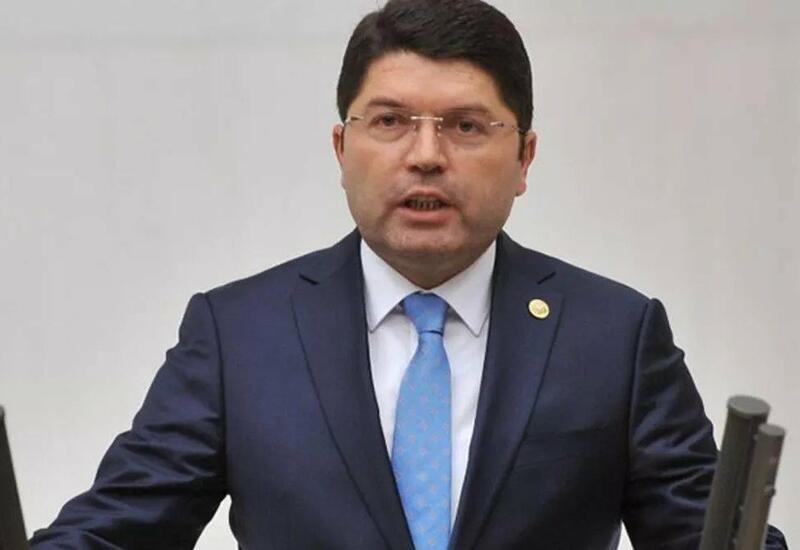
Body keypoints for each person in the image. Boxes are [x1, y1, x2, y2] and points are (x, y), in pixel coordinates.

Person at [30, 1, 788, 549]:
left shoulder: (614, 335)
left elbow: (706, 535)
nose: (426, 156)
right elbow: (116, 530)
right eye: (390, 121)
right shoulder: (240, 334)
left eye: (466, 126)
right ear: (341, 149)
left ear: (524, 157)